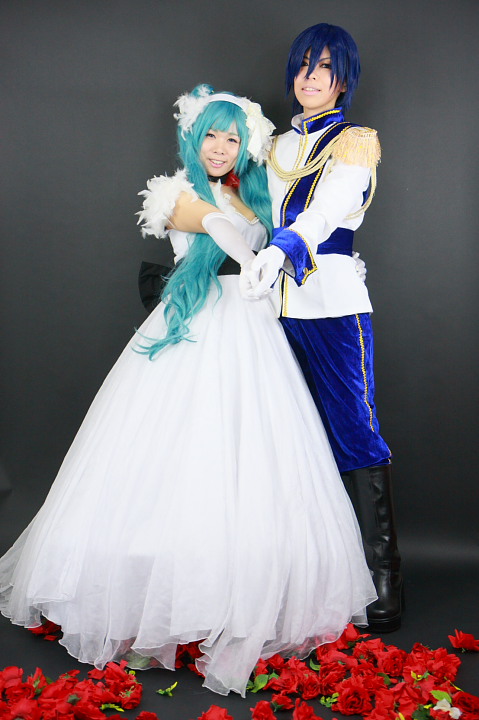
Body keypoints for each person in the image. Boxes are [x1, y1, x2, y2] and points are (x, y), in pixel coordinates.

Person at [0, 84, 376, 697]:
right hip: (196, 325)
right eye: (211, 136)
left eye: (233, 138)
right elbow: (227, 233)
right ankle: (162, 601)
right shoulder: (175, 193)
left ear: (246, 145)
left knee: (252, 457)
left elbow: (291, 226)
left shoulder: (255, 192)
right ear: (192, 140)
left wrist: (295, 247)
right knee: (178, 454)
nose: (221, 148)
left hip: (253, 327)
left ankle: (241, 592)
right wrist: (264, 252)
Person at [244, 23, 403, 632]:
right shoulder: (271, 146)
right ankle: (303, 575)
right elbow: (248, 213)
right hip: (267, 308)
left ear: (343, 81)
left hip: (332, 305)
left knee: (353, 430)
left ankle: (382, 574)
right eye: (304, 64)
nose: (311, 76)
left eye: (326, 67)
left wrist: (282, 249)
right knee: (283, 435)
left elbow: (327, 209)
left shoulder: (356, 142)